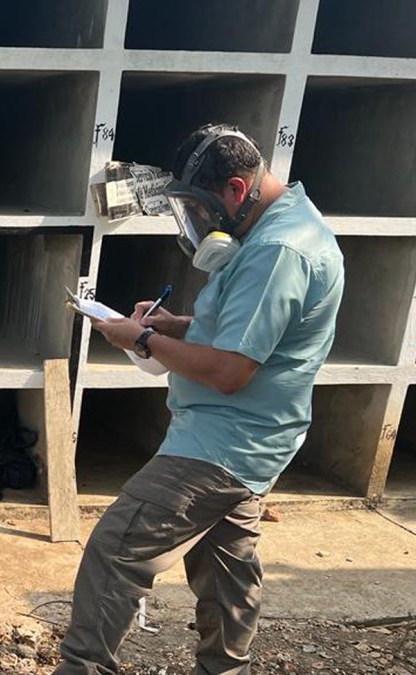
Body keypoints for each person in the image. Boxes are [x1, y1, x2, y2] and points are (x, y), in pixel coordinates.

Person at [54, 124, 344, 675]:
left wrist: (142, 338)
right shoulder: (280, 229)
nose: (202, 223)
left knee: (117, 551)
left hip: (223, 440)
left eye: (202, 208)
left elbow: (231, 370)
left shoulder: (279, 251)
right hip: (252, 438)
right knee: (226, 570)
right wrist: (179, 325)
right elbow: (249, 331)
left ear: (236, 190)